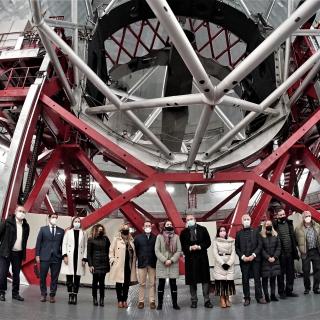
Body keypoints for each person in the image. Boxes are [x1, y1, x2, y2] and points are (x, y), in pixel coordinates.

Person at [180, 214, 213, 309]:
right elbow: (182, 245)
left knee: (205, 280)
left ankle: (207, 300)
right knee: (192, 281)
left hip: (202, 258)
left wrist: (199, 246)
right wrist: (190, 247)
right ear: (186, 222)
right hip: (190, 259)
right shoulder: (184, 232)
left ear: (195, 219)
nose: (190, 220)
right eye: (188, 220)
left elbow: (208, 242)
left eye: (191, 219)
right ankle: (194, 300)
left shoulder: (203, 229)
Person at [0, 205, 30, 302]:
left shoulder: (26, 226)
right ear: (15, 212)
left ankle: (15, 293)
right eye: (20, 211)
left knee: (16, 274)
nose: (22, 213)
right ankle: (2, 293)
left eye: (23, 212)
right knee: (3, 273)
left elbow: (25, 240)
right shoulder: (7, 222)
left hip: (18, 253)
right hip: (6, 252)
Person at [235, 214, 266, 306]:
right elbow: (237, 247)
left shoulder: (256, 231)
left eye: (248, 219)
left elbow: (260, 244)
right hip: (244, 261)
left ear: (250, 220)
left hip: (255, 259)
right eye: (244, 219)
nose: (246, 220)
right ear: (241, 221)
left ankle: (259, 297)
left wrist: (253, 255)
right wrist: (243, 257)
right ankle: (247, 298)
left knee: (257, 279)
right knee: (245, 280)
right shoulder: (238, 233)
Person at [36, 213, 64, 303]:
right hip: (44, 256)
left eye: (56, 217)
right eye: (53, 217)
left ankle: (52, 295)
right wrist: (37, 255)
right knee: (43, 276)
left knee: (54, 277)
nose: (54, 219)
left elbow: (63, 245)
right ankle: (43, 294)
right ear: (49, 218)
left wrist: (63, 255)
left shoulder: (61, 231)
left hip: (57, 258)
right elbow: (38, 243)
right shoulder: (43, 229)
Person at [154, 220, 182, 310]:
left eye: (170, 224)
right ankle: (160, 304)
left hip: (173, 264)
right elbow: (157, 250)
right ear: (164, 226)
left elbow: (179, 250)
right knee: (161, 284)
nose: (169, 225)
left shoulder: (176, 237)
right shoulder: (159, 237)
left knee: (173, 284)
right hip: (162, 264)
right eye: (167, 224)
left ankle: (175, 304)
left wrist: (172, 260)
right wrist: (165, 260)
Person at [109, 223, 137, 308]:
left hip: (128, 265)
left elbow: (134, 253)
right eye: (124, 229)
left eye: (127, 229)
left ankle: (125, 300)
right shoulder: (116, 239)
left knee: (126, 284)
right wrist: (112, 260)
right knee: (118, 284)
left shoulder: (131, 240)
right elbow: (111, 251)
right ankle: (119, 300)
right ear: (121, 230)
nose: (126, 230)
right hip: (119, 265)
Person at [273, 208, 299, 298]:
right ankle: (281, 292)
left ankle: (289, 291)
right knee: (280, 274)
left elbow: (293, 236)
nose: (282, 216)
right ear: (277, 216)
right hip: (281, 254)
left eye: (283, 214)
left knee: (290, 273)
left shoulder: (289, 223)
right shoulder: (274, 225)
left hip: (290, 252)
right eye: (280, 215)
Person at [60, 217, 87, 305]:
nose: (77, 223)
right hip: (69, 257)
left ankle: (75, 295)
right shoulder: (68, 232)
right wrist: (64, 256)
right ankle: (70, 295)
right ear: (72, 222)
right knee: (69, 278)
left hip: (79, 258)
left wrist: (84, 258)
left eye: (78, 221)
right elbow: (64, 244)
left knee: (77, 278)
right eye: (75, 221)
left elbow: (86, 245)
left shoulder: (84, 232)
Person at [295, 211, 320, 294]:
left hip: (316, 251)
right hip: (305, 252)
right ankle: (307, 288)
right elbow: (296, 241)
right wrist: (300, 250)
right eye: (306, 216)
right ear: (303, 218)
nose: (308, 217)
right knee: (306, 271)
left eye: (309, 215)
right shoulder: (298, 228)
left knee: (318, 270)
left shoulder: (317, 225)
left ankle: (316, 288)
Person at [134, 220, 157, 309]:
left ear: (151, 227)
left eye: (149, 226)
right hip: (141, 263)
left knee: (152, 283)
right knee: (142, 283)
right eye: (146, 226)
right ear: (143, 227)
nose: (148, 227)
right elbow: (135, 250)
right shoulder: (138, 238)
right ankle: (141, 301)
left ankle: (152, 301)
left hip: (152, 263)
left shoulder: (155, 238)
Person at [87, 224, 110, 307]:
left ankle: (102, 299)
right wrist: (90, 265)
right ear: (95, 230)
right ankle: (95, 298)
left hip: (104, 263)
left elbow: (109, 251)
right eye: (99, 229)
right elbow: (89, 253)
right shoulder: (91, 239)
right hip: (95, 264)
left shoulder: (106, 239)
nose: (101, 231)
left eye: (102, 229)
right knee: (95, 282)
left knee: (102, 283)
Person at [212, 226, 236, 308]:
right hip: (220, 263)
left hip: (230, 263)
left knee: (228, 282)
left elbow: (233, 253)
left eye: (224, 230)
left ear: (226, 231)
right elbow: (215, 253)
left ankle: (227, 298)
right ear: (218, 232)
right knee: (221, 282)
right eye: (221, 230)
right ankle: (222, 298)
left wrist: (229, 263)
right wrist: (222, 263)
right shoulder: (215, 241)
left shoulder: (232, 240)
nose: (222, 232)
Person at [260, 220, 281, 302]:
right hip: (265, 261)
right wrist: (268, 257)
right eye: (267, 224)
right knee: (265, 279)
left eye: (270, 224)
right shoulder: (261, 235)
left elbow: (278, 247)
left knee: (273, 278)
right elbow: (261, 248)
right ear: (264, 225)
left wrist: (275, 257)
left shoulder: (276, 234)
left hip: (274, 260)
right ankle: (266, 296)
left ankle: (273, 295)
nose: (268, 225)